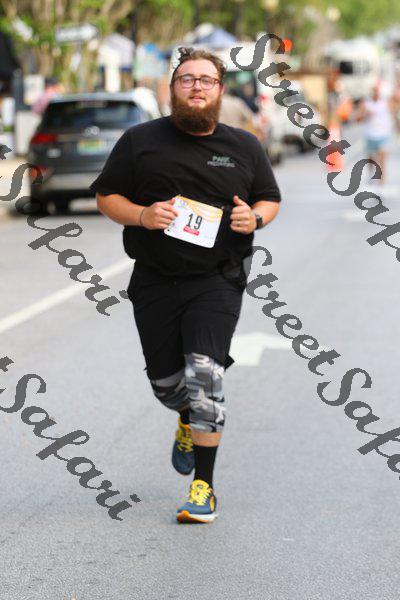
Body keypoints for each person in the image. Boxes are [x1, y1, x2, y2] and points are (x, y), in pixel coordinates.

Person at [89, 46, 281, 524]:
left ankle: (204, 487)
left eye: (206, 80)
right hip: (155, 279)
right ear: (172, 88)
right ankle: (185, 416)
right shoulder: (139, 141)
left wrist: (254, 218)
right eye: (187, 79)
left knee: (205, 376)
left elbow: (269, 198)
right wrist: (142, 215)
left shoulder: (244, 145)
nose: (197, 87)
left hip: (217, 279)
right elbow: (106, 196)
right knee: (166, 384)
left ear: (220, 90)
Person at [356, 83, 395, 184]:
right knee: (371, 158)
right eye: (374, 91)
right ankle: (371, 174)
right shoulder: (365, 104)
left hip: (384, 134)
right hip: (370, 135)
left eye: (377, 91)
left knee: (382, 158)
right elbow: (358, 119)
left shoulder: (386, 102)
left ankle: (382, 180)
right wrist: (365, 114)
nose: (376, 93)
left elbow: (394, 115)